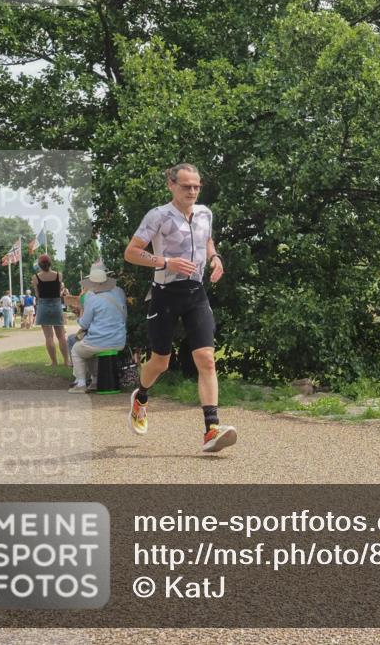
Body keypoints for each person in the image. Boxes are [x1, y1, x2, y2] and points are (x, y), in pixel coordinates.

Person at [123, 162, 234, 452]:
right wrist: (165, 262)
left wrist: (215, 257)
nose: (193, 191)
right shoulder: (158, 216)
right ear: (171, 185)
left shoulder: (205, 213)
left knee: (207, 359)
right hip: (165, 295)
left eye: (197, 186)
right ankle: (141, 396)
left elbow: (207, 239)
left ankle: (211, 430)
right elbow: (131, 252)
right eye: (186, 186)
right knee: (161, 361)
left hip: (196, 294)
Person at [68, 263, 127, 394]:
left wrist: (79, 315)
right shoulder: (119, 291)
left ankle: (81, 383)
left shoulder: (91, 296)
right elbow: (124, 316)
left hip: (100, 341)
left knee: (77, 350)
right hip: (119, 340)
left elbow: (84, 324)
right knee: (88, 348)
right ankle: (95, 380)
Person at [32, 254, 70, 366]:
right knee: (61, 335)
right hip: (56, 304)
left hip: (43, 305)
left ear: (39, 265)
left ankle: (54, 362)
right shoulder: (59, 275)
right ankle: (66, 361)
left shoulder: (36, 277)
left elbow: (37, 294)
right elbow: (59, 291)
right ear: (50, 263)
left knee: (49, 337)